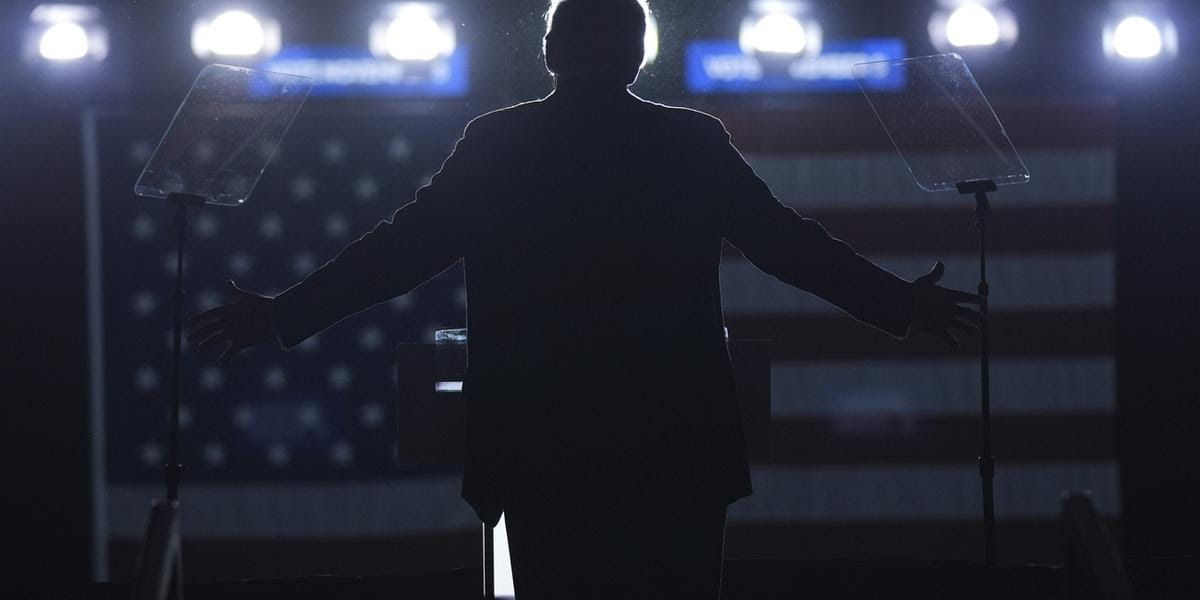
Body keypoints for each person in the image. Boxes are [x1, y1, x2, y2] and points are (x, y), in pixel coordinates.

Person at [186, 0, 982, 597]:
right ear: (637, 55)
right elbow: (786, 244)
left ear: (550, 52)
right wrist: (900, 305)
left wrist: (282, 315)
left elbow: (400, 253)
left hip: (542, 443)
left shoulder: (501, 143)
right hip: (675, 444)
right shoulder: (689, 143)